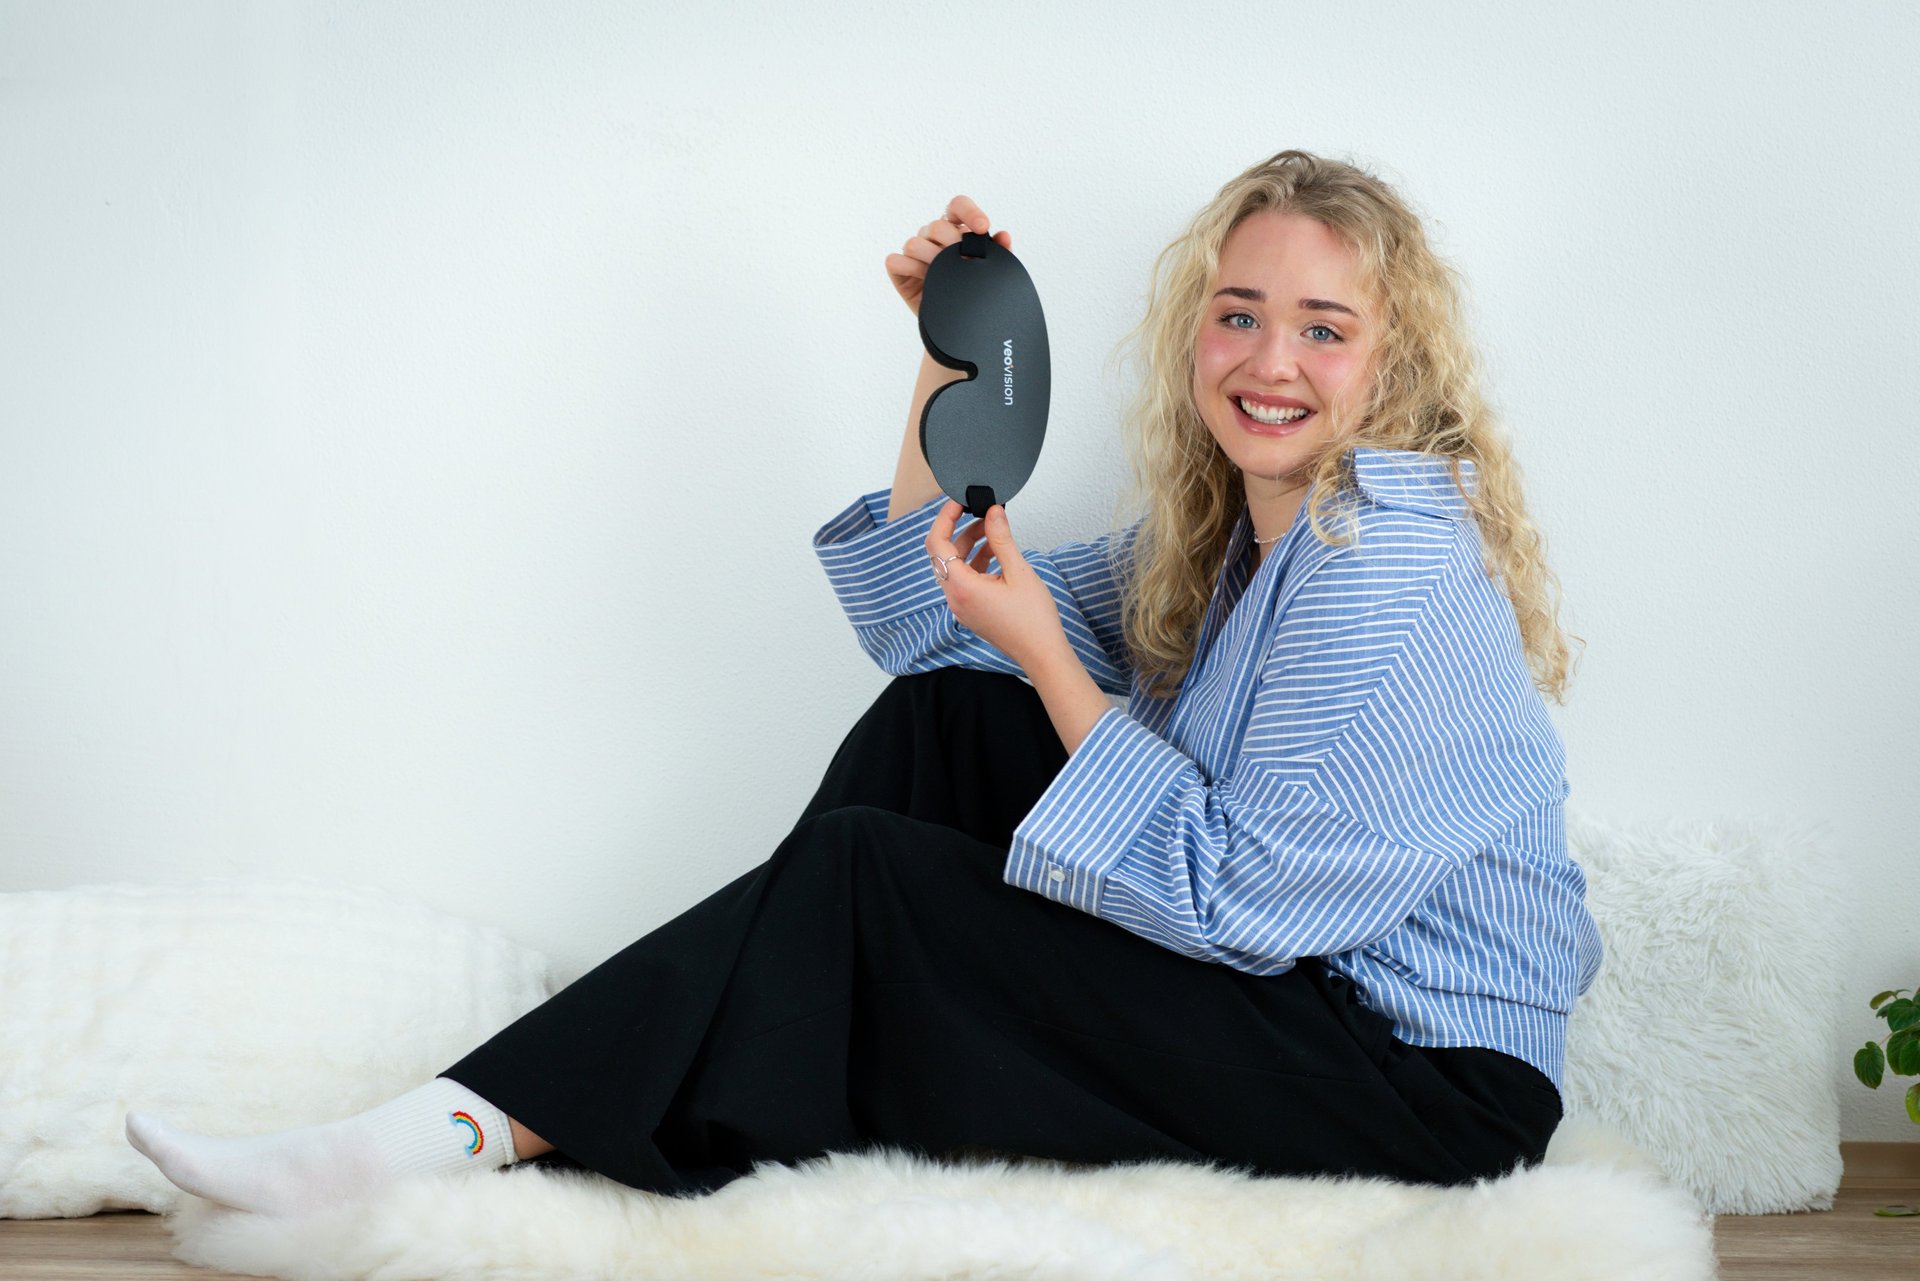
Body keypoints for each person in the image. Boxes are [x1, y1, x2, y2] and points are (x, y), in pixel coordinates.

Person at [125, 149, 1603, 1218]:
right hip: (1292, 999)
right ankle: (651, 1084)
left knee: (868, 875)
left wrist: (1042, 649)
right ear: (1195, 329)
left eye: (1323, 328)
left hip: (1413, 1084)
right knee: (946, 725)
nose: (1268, 358)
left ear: (1392, 360)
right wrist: (943, 362)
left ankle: (464, 1126)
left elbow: (1236, 897)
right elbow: (932, 623)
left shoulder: (1384, 568)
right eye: (1238, 311)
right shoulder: (1232, 539)